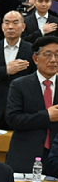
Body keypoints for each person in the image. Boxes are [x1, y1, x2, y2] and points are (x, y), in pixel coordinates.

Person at [5, 36, 58, 173]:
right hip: (25, 155)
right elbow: (12, 119)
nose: (53, 59)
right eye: (47, 55)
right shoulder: (19, 85)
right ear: (35, 59)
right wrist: (46, 116)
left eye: (57, 55)